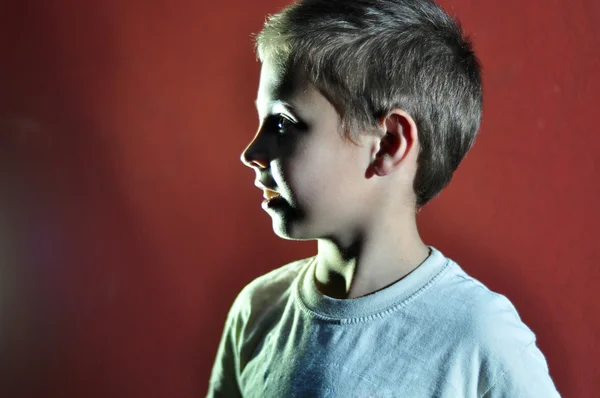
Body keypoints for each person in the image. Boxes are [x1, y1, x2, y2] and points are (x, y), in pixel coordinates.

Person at [207, 0, 562, 396]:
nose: (251, 152)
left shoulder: (479, 336)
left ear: (388, 144)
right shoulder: (257, 311)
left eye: (283, 122)